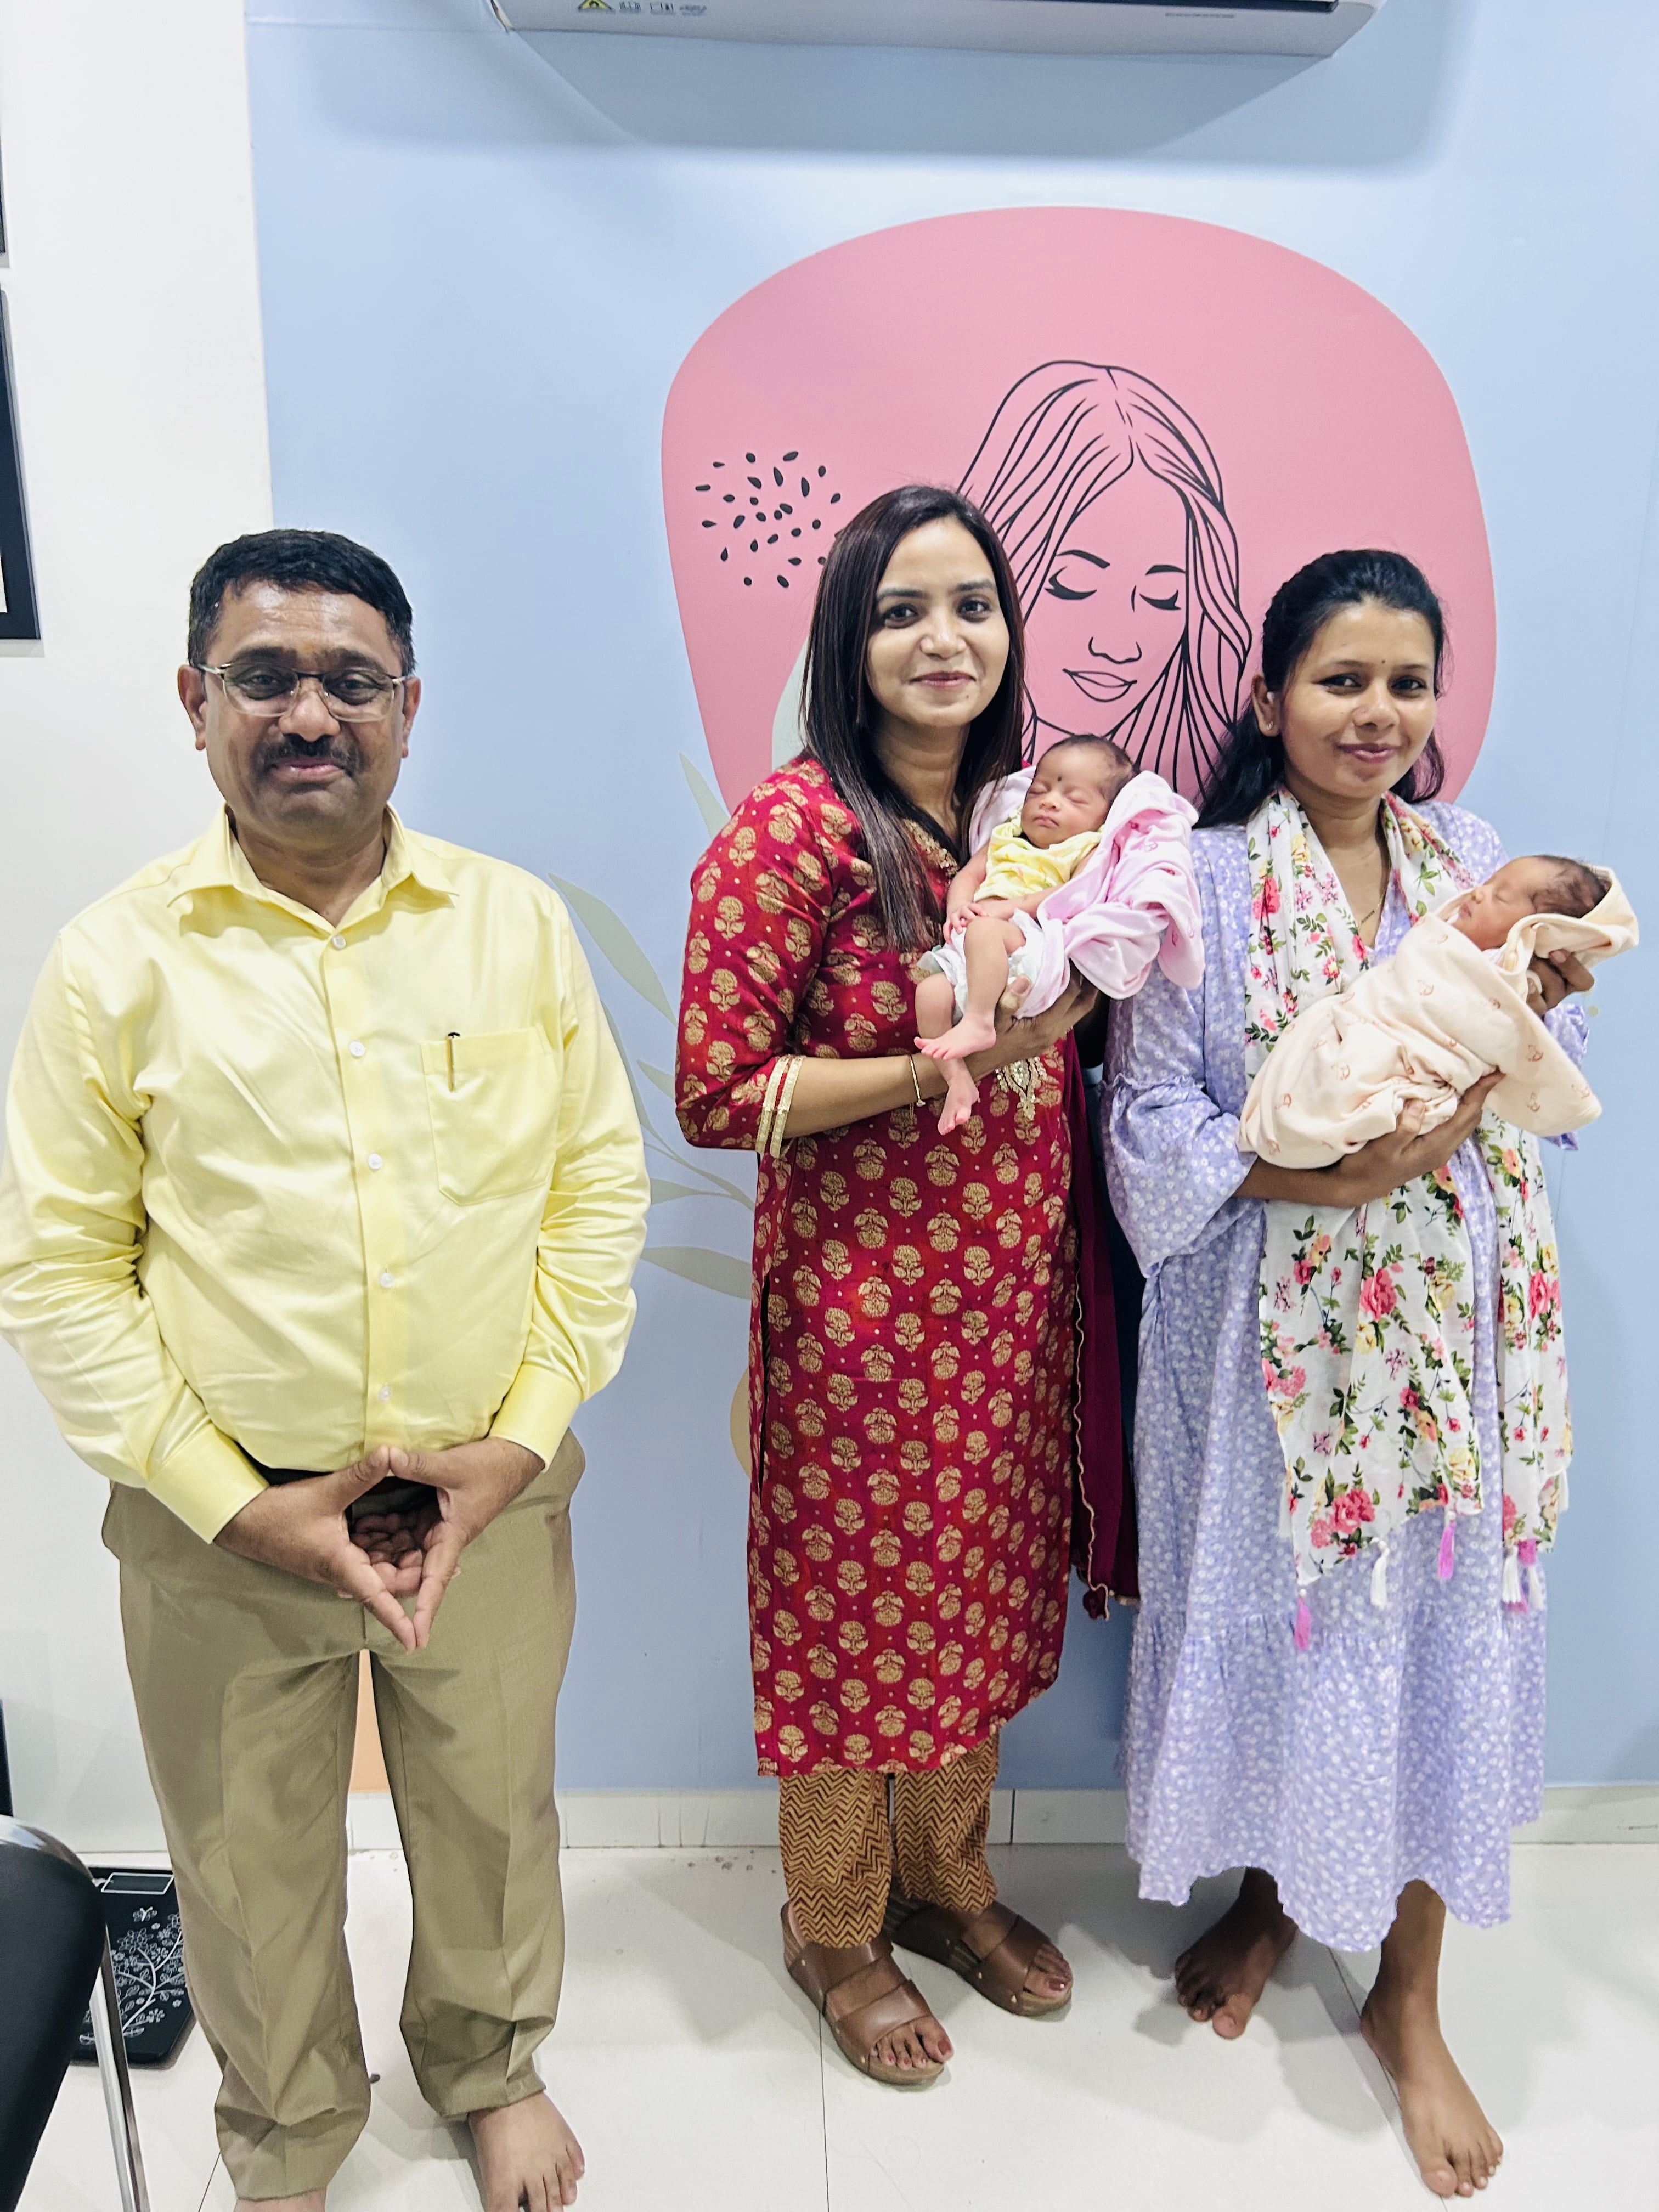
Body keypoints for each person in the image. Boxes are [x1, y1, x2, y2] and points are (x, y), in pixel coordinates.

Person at [0, 529, 648, 2212]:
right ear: (194, 704)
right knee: (241, 1859)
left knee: (493, 1813)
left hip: (486, 1490)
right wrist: (235, 1502)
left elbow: (595, 1193)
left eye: (349, 681)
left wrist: (516, 1445)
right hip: (221, 1512)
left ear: (408, 711)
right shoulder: (112, 963)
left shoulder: (512, 927)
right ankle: (289, 2139)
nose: (309, 713)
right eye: (263, 677)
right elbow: (60, 1271)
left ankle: (489, 2068)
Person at [1103, 549, 1594, 2200]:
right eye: (1339, 680)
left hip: (1451, 1339)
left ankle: (1410, 1990)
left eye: (1403, 683)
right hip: (1264, 1334)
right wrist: (1312, 1180)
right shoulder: (1203, 880)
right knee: (1282, 1617)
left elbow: (1545, 1063)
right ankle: (1268, 1894)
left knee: (1438, 1625)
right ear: (1268, 697)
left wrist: (1513, 1034)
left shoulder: (1476, 867)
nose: (1373, 713)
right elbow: (1149, 1123)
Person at [675, 484, 1097, 2087]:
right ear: (849, 643)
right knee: (859, 1639)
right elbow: (717, 1094)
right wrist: (938, 1072)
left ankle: (950, 1883)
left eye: (973, 605)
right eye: (902, 609)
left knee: (980, 1616)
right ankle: (836, 1927)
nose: (944, 638)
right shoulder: (794, 831)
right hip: (862, 1335)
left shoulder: (1024, 836)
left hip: (1010, 1324)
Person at [959, 360, 1251, 797]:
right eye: (1072, 583)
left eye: (1163, 596)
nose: (1116, 646)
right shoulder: (937, 793)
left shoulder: (1172, 815)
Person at [1240, 854, 1633, 1168]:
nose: (1478, 893)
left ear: (1536, 932)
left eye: (1500, 897)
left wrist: (1534, 1004)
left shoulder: (1508, 974)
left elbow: (1504, 1038)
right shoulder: (1229, 864)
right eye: (1488, 883)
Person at [915, 736, 1133, 1130]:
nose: (1050, 802)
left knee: (985, 933)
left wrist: (1004, 910)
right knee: (928, 994)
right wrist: (957, 909)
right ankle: (955, 1078)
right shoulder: (1006, 835)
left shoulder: (1087, 848)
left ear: (1105, 816)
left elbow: (1073, 896)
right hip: (975, 940)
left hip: (1025, 942)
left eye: (1075, 799)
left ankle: (980, 1020)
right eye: (1040, 790)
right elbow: (970, 875)